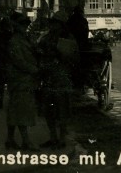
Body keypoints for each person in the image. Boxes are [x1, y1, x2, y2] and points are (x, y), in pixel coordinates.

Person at [37, 16, 79, 149]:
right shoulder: (46, 37)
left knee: (62, 111)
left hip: (62, 78)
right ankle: (53, 137)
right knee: (49, 111)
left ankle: (61, 139)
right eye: (52, 23)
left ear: (61, 25)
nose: (53, 26)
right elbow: (39, 50)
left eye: (56, 24)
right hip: (49, 78)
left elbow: (74, 57)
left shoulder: (68, 38)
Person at [5, 11, 39, 149]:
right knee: (22, 110)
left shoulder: (24, 39)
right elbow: (18, 60)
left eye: (26, 25)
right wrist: (34, 69)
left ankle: (10, 139)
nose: (25, 27)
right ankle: (26, 141)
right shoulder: (15, 41)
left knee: (14, 110)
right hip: (20, 79)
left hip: (22, 80)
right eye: (23, 25)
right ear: (16, 26)